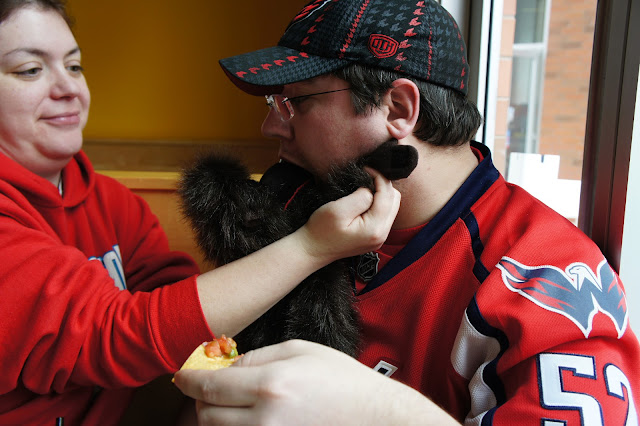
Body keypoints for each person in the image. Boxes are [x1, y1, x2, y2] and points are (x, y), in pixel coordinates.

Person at [174, 0, 640, 424]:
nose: (270, 125)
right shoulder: (298, 215)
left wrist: (374, 410)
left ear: (398, 108)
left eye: (293, 103)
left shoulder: (546, 280)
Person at [0, 1, 401, 424]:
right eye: (30, 70)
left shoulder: (113, 203)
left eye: (74, 66)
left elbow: (184, 324)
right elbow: (114, 335)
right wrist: (310, 248)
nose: (68, 88)